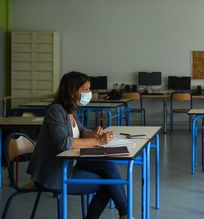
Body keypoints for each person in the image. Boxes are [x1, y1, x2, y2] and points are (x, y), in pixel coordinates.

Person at [27, 71, 129, 219]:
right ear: (73, 91)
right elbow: (63, 143)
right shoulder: (56, 111)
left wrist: (94, 134)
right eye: (85, 89)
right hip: (54, 173)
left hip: (70, 164)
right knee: (109, 182)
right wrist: (98, 141)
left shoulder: (70, 110)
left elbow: (81, 131)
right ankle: (124, 214)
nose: (89, 93)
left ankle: (125, 214)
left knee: (109, 166)